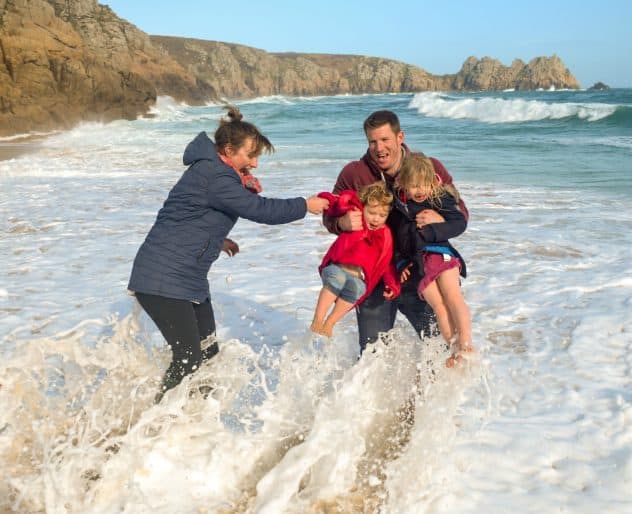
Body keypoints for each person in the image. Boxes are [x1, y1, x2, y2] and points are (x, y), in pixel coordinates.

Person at [129, 105, 328, 401]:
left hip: (186, 278)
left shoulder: (214, 172)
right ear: (227, 150)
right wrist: (304, 205)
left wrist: (216, 239)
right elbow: (259, 210)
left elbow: (183, 213)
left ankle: (199, 418)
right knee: (188, 357)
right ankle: (158, 421)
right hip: (162, 279)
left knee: (208, 352)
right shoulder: (216, 175)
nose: (256, 164)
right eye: (250, 155)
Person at [323, 110, 468, 353]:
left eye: (385, 140)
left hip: (420, 271)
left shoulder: (428, 168)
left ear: (400, 137)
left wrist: (439, 218)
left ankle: (428, 392)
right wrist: (341, 223)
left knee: (439, 348)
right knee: (372, 354)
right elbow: (330, 214)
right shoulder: (354, 173)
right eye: (372, 141)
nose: (379, 148)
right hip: (375, 276)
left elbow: (460, 212)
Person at [393, 152, 472, 367]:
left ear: (432, 181)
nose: (419, 190)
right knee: (438, 306)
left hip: (441, 254)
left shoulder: (440, 198)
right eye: (414, 185)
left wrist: (433, 230)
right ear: (403, 184)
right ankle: (453, 350)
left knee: (453, 297)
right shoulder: (399, 206)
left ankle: (465, 344)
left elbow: (459, 222)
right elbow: (398, 241)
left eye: (424, 184)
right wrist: (401, 264)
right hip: (420, 265)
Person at [311, 182, 400, 337]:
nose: (376, 219)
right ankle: (318, 319)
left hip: (358, 277)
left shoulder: (385, 235)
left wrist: (392, 284)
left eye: (382, 215)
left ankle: (330, 323)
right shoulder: (355, 217)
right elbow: (338, 202)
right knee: (337, 279)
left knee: (357, 289)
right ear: (363, 207)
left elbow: (387, 263)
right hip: (337, 268)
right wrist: (324, 199)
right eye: (372, 213)